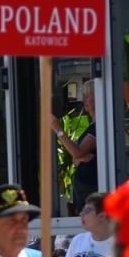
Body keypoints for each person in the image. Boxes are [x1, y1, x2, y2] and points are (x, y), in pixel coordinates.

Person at [51, 83, 98, 214]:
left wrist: (58, 128)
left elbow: (77, 153)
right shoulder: (92, 125)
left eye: (87, 96)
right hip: (85, 190)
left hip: (91, 190)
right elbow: (76, 157)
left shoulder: (99, 126)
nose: (84, 100)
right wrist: (79, 156)